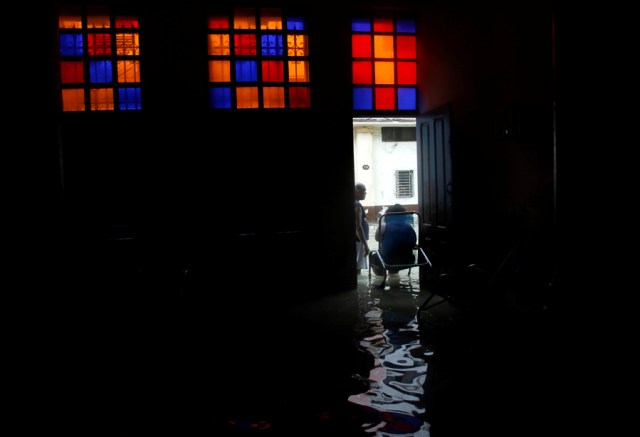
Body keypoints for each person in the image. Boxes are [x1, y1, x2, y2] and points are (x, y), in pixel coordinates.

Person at [371, 204, 417, 277]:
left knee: (373, 256)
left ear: (388, 214)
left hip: (388, 260)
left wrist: (382, 222)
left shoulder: (384, 226)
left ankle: (381, 277)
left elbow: (377, 239)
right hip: (408, 260)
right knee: (396, 252)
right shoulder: (409, 226)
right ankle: (393, 277)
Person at [355, 182, 370, 274]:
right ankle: (358, 287)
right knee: (358, 267)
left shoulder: (356, 203)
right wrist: (365, 245)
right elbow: (358, 226)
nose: (365, 193)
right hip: (359, 239)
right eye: (364, 191)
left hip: (358, 239)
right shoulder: (357, 205)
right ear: (357, 190)